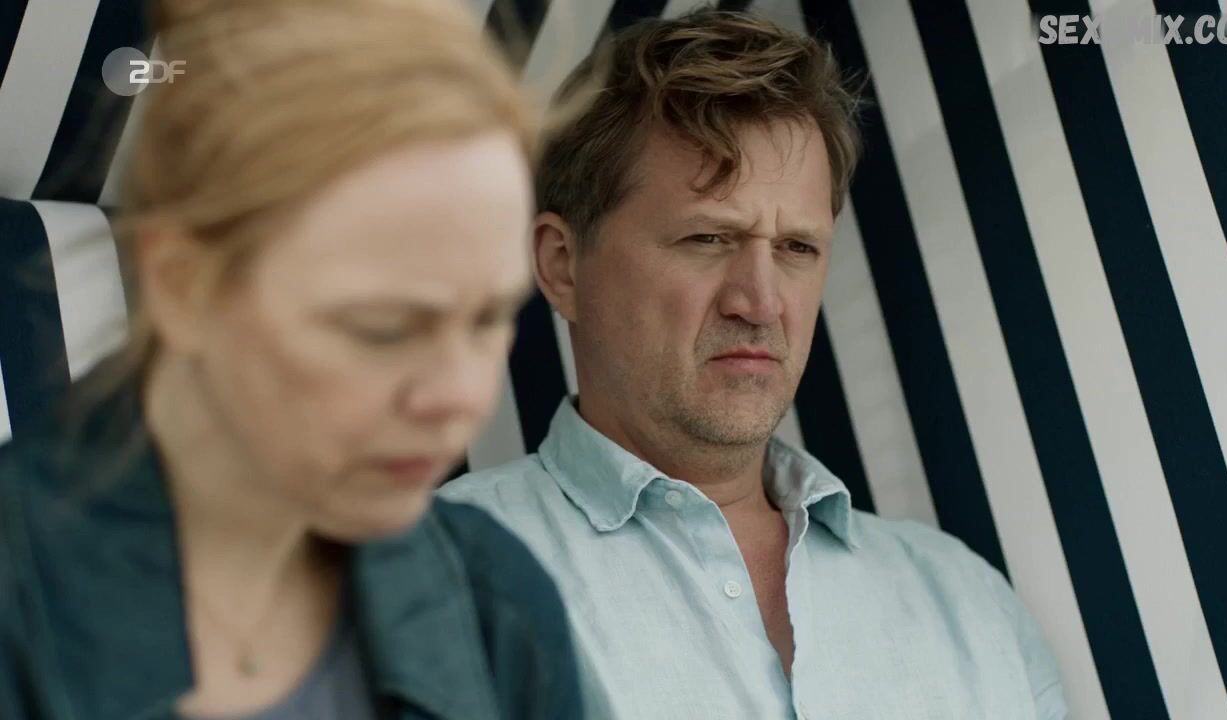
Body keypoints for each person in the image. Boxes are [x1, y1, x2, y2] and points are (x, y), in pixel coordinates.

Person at [440, 8, 1068, 719]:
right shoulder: (424, 582)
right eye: (708, 238)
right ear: (562, 264)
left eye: (798, 248)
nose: (762, 303)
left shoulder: (970, 605)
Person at [0, 1, 581, 718]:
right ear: (182, 285)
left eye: (491, 319)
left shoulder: (498, 606)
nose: (463, 395)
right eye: (383, 329)